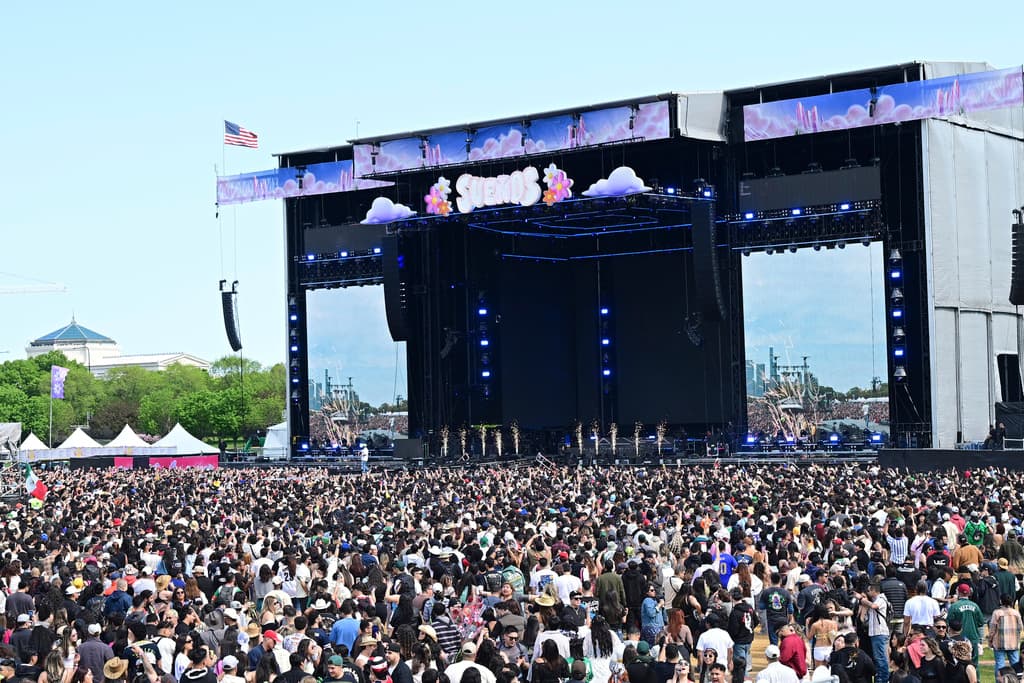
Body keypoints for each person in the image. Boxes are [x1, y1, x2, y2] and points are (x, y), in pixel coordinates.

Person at [855, 583, 889, 683]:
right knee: (878, 657)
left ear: (874, 591)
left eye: (869, 591)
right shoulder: (874, 600)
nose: (868, 593)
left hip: (879, 632)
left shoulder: (881, 599)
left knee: (880, 658)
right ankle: (880, 678)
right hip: (875, 633)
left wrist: (861, 599)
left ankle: (883, 679)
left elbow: (874, 606)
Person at [988, 594, 1023, 676]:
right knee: (1016, 664)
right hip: (1013, 642)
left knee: (1000, 664)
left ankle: (1000, 680)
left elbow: (992, 629)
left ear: (1001, 601)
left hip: (999, 642)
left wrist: (990, 640)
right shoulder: (1016, 613)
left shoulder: (997, 613)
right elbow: (1020, 627)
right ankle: (1018, 680)